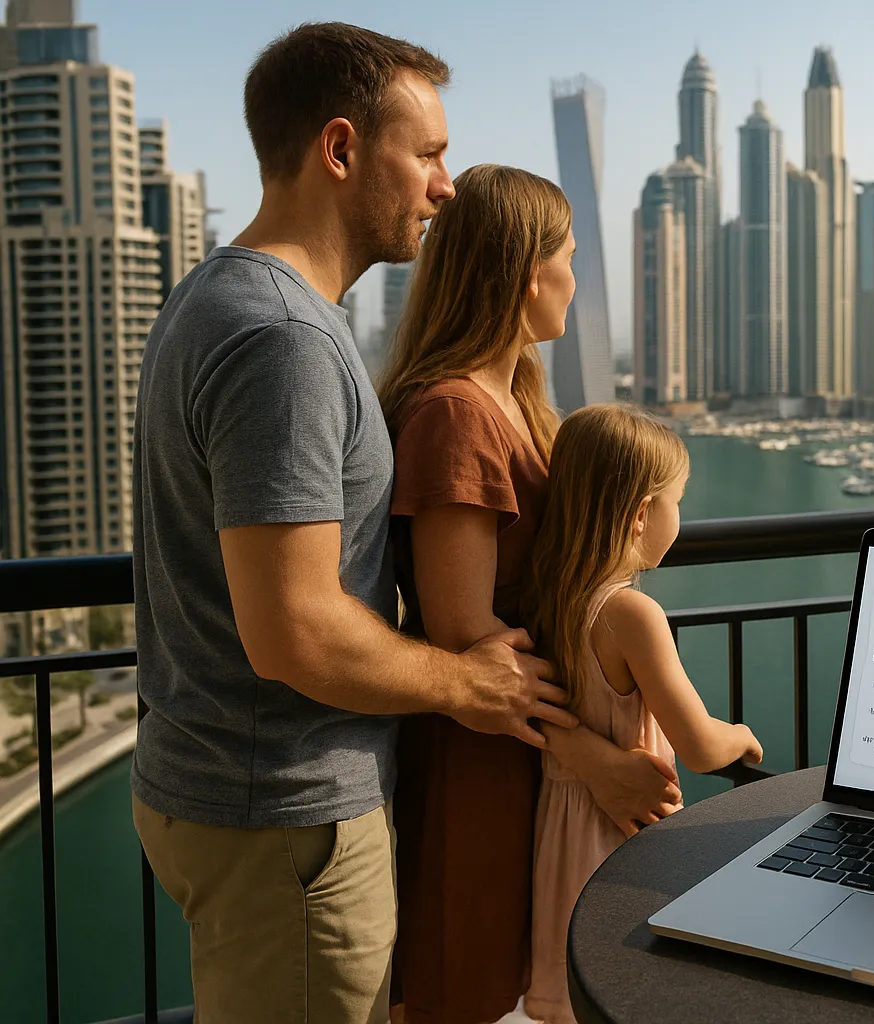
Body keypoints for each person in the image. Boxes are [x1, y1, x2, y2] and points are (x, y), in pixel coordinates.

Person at [128, 24, 581, 1024]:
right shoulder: (283, 340)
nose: (446, 185)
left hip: (223, 795)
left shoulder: (218, 296)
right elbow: (292, 626)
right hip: (285, 820)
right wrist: (461, 679)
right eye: (425, 154)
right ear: (340, 151)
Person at [378, 166, 682, 1024]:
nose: (578, 281)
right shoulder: (455, 416)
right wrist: (593, 758)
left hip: (532, 763)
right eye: (571, 259)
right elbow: (474, 644)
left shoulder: (516, 402)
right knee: (467, 990)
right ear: (527, 275)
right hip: (485, 763)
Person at [520, 405, 764, 1024]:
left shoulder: (547, 595)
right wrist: (740, 736)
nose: (681, 517)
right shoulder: (632, 616)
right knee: (627, 980)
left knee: (573, 989)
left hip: (560, 824)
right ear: (639, 516)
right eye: (678, 500)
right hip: (621, 832)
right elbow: (702, 747)